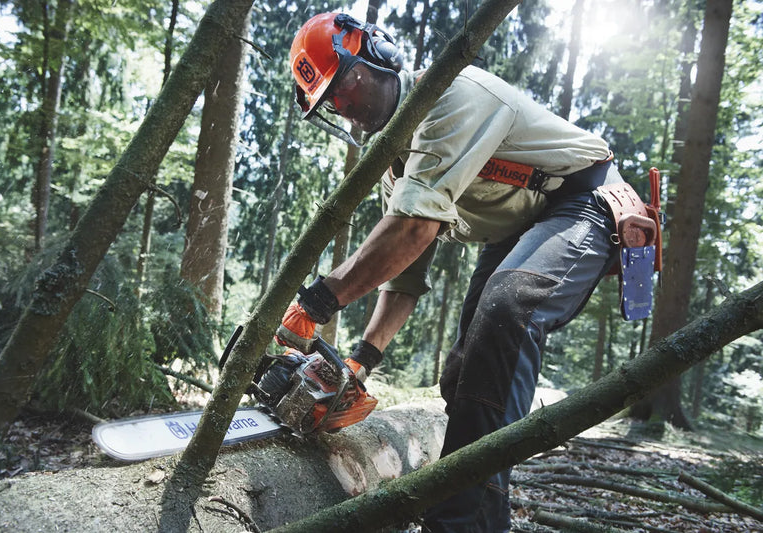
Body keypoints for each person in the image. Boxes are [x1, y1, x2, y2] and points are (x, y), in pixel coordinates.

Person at [277, 12, 651, 533]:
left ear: (377, 55)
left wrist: (316, 304)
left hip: (581, 197)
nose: (348, 106)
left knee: (509, 310)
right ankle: (467, 501)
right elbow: (402, 280)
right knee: (462, 373)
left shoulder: (451, 96)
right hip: (517, 231)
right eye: (333, 103)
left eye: (346, 84)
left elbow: (413, 231)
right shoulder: (398, 170)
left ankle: (466, 521)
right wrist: (359, 365)